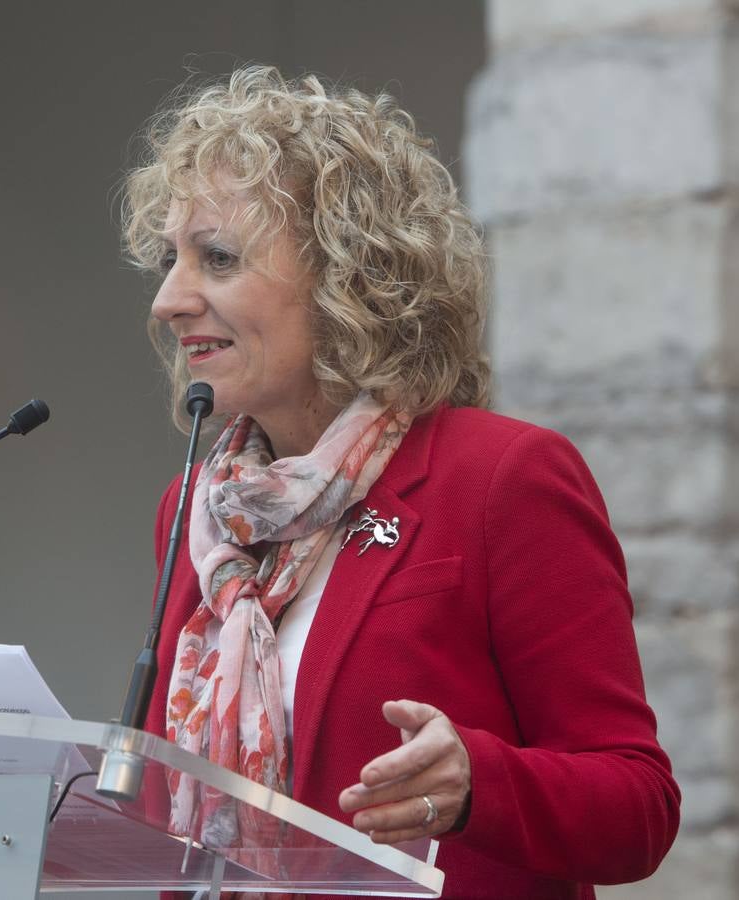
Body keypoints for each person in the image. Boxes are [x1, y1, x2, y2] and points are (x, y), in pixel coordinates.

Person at [124, 66, 680, 898]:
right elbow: (157, 814)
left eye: (218, 258)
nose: (170, 298)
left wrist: (478, 786)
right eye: (172, 260)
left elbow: (638, 806)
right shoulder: (199, 515)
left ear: (346, 275)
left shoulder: (500, 480)